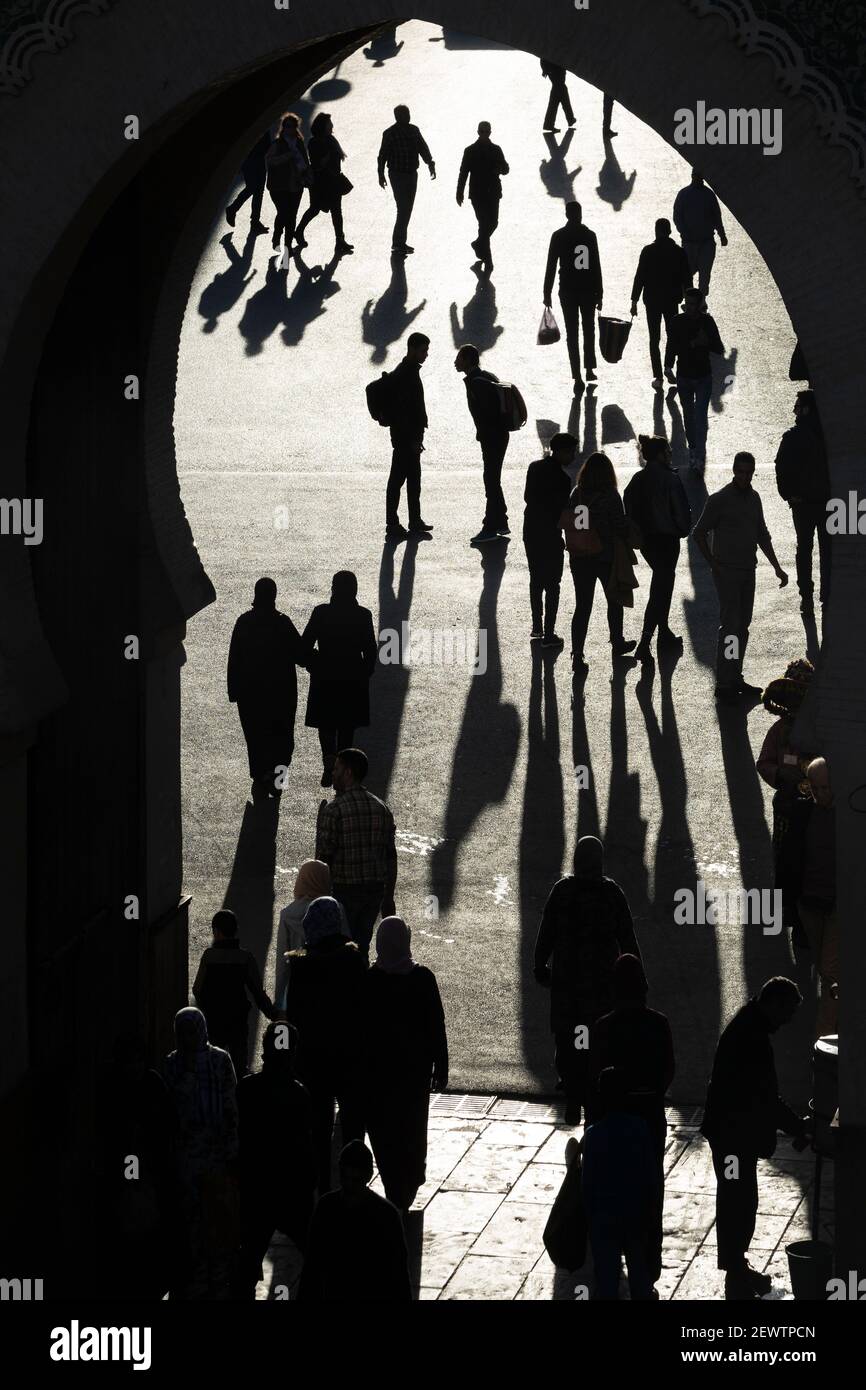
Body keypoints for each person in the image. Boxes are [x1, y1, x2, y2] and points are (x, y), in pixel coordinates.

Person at [701, 978, 810, 1300]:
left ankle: (736, 1265)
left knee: (738, 1200)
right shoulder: (752, 1037)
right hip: (732, 1138)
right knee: (738, 1201)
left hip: (730, 1133)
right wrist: (797, 1126)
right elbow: (765, 1097)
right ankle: (736, 1270)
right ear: (774, 1003)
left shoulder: (749, 1027)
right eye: (788, 1011)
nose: (789, 1019)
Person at [533, 835, 641, 1124]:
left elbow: (547, 932)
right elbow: (627, 938)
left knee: (568, 1042)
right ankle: (594, 1097)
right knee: (599, 1042)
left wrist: (539, 963)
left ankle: (572, 1093)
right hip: (602, 988)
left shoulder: (563, 891)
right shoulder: (612, 893)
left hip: (567, 984)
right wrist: (636, 976)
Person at [589, 955, 675, 1296]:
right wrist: (648, 1094)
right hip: (648, 1117)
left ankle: (609, 1278)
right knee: (648, 1199)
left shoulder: (603, 1027)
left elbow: (594, 1076)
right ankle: (646, 1274)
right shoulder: (658, 1024)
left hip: (609, 1119)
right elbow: (668, 1071)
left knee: (607, 1199)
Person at [363, 918, 448, 1210]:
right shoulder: (422, 978)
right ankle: (410, 1177)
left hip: (378, 1073)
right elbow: (437, 1024)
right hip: (414, 1071)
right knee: (412, 1126)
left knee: (383, 1127)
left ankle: (393, 1182)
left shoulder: (370, 981)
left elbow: (359, 1029)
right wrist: (442, 1065)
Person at [285, 898, 367, 1195]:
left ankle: (322, 1187)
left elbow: (293, 1016)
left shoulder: (301, 963)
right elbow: (363, 1009)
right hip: (349, 1057)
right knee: (353, 1125)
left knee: (318, 1128)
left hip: (313, 1061)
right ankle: (355, 1182)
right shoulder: (353, 960)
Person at [693, 452, 788, 704]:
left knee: (741, 626)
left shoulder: (754, 499)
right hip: (727, 572)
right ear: (734, 471)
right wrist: (713, 563)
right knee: (731, 626)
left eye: (749, 472)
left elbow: (762, 534)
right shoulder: (719, 500)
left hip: (748, 570)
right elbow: (699, 533)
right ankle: (725, 680)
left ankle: (734, 675)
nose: (745, 477)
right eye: (741, 472)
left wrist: (777, 567)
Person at [234, 1022, 315, 1297]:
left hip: (256, 1190)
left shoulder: (247, 1089)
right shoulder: (299, 1094)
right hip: (289, 1190)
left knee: (247, 1261)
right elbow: (306, 1150)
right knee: (314, 1255)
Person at [163, 1008, 239, 1300]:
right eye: (183, 1032)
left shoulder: (219, 1060)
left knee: (217, 1220)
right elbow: (170, 1111)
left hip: (215, 1154)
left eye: (192, 1031)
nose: (188, 1038)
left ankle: (218, 1280)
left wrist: (231, 1150)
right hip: (186, 1157)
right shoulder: (172, 1064)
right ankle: (198, 1279)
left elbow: (230, 1106)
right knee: (192, 1222)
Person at [96, 1035, 177, 1300]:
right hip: (129, 1168)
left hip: (147, 1168)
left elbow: (165, 1127)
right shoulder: (118, 1086)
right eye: (129, 1060)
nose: (133, 1066)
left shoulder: (151, 1084)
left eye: (137, 1060)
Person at [296, 1140, 412, 1301]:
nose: (349, 1185)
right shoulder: (385, 1213)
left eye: (355, 1180)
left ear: (368, 1176)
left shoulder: (328, 1206)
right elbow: (312, 1266)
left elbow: (398, 1275)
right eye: (346, 1178)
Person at [227, 577, 307, 802]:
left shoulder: (244, 622)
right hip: (281, 693)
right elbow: (301, 654)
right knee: (282, 735)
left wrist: (233, 690)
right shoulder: (282, 623)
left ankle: (261, 775)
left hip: (250, 693)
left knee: (255, 735)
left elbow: (235, 659)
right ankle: (277, 779)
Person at [582, 1067, 658, 1300]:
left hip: (605, 1216)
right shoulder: (640, 1129)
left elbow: (588, 1185)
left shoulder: (594, 1135)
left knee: (606, 1279)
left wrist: (589, 1218)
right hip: (635, 1212)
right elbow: (650, 1176)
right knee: (639, 1272)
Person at [755, 660, 815, 948]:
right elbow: (764, 762)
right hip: (787, 807)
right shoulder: (779, 731)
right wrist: (780, 775)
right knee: (785, 859)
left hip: (817, 807)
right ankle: (791, 914)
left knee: (812, 859)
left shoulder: (821, 732)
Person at [316, 748, 398, 955]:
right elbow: (390, 856)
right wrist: (389, 897)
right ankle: (360, 979)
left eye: (336, 769)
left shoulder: (334, 810)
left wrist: (318, 897)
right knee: (362, 945)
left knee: (339, 947)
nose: (332, 773)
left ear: (348, 773)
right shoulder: (381, 808)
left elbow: (324, 859)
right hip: (374, 890)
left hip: (345, 890)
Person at [302, 571, 378, 787]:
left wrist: (314, 664)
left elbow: (305, 646)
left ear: (333, 588)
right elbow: (370, 650)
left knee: (326, 726)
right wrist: (364, 672)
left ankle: (329, 762)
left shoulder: (321, 613)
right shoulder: (363, 615)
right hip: (352, 679)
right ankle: (342, 771)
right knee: (347, 729)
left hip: (325, 677)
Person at [779, 758, 838, 1036]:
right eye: (815, 788)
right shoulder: (803, 813)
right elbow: (788, 857)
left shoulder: (848, 816)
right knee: (823, 963)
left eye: (825, 788)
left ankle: (823, 1036)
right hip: (809, 903)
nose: (820, 794)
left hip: (838, 905)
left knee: (829, 972)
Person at [565, 451, 636, 671]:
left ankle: (577, 654)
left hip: (580, 558)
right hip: (605, 556)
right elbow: (619, 525)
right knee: (614, 599)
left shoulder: (577, 494)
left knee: (582, 606)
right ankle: (617, 641)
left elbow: (573, 523)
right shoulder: (610, 495)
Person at [623, 434, 692, 659]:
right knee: (662, 587)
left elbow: (628, 507)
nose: (671, 454)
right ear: (661, 455)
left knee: (662, 583)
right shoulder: (670, 479)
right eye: (669, 451)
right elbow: (681, 513)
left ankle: (663, 631)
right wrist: (683, 529)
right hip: (667, 539)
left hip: (647, 542)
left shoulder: (637, 479)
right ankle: (646, 640)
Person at [192, 909, 275, 1082]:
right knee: (239, 1068)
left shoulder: (209, 956)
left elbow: (197, 989)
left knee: (213, 1069)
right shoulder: (245, 957)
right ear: (235, 930)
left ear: (216, 931)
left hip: (214, 1021)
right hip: (238, 1021)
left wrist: (206, 1007)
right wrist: (275, 1015)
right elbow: (258, 993)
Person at [774, 390, 831, 617]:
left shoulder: (792, 437)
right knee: (828, 550)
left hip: (803, 504)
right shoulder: (830, 434)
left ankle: (806, 595)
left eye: (797, 406)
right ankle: (827, 593)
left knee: (804, 548)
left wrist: (789, 494)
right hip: (829, 503)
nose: (794, 410)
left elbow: (782, 468)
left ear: (806, 409)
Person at [543, 201, 603, 391]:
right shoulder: (589, 235)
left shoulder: (559, 236)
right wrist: (599, 292)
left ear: (567, 215)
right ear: (580, 214)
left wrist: (547, 292)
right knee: (589, 329)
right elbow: (595, 265)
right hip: (587, 290)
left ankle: (576, 375)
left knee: (572, 333)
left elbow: (551, 265)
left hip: (567, 290)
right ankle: (589, 368)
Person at [454, 343, 510, 544]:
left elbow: (488, 414)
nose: (455, 362)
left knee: (491, 480)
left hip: (492, 438)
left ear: (468, 360)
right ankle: (501, 520)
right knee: (493, 478)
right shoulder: (486, 376)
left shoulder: (477, 383)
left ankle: (490, 526)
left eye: (459, 358)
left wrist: (483, 433)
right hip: (497, 436)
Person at [523, 432, 574, 647]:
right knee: (553, 584)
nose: (573, 456)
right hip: (551, 535)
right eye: (571, 452)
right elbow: (563, 510)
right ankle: (549, 633)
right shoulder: (563, 479)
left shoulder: (534, 467)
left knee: (536, 579)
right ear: (562, 452)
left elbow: (527, 497)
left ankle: (537, 625)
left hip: (532, 530)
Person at [276, 859, 347, 1009]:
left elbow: (283, 960)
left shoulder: (287, 914)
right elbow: (347, 944)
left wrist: (279, 1002)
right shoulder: (336, 909)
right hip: (333, 982)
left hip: (300, 980)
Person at [668, 287, 725, 469]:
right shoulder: (678, 321)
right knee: (689, 416)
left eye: (694, 304)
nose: (690, 308)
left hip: (702, 376)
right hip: (684, 375)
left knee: (700, 416)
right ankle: (694, 448)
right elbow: (672, 345)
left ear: (700, 305)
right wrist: (668, 365)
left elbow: (719, 348)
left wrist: (706, 341)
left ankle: (698, 454)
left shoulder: (707, 322)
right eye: (688, 303)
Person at [629, 218, 691, 386]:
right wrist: (689, 300)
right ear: (670, 231)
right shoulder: (679, 252)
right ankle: (668, 366)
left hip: (652, 300)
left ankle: (658, 376)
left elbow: (639, 277)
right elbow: (687, 278)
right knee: (673, 335)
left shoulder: (648, 251)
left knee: (654, 338)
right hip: (671, 300)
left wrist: (634, 301)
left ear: (656, 231)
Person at [385, 331, 433, 540]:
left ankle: (415, 520)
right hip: (406, 439)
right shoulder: (406, 374)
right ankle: (393, 523)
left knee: (414, 481)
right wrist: (413, 440)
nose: (426, 354)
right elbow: (404, 412)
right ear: (412, 349)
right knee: (397, 481)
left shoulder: (409, 370)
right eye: (423, 350)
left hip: (411, 438)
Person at [377, 104, 436, 256]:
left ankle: (400, 242)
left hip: (411, 173)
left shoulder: (414, 130)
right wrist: (381, 173)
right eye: (405, 114)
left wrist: (430, 163)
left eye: (408, 113)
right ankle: (398, 243)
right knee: (403, 208)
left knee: (407, 209)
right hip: (397, 175)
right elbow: (382, 155)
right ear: (397, 117)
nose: (408, 116)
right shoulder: (390, 133)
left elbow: (423, 147)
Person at [294, 112, 353, 257]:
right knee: (315, 209)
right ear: (323, 126)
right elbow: (316, 164)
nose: (331, 125)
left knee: (336, 211)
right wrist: (325, 160)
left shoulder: (331, 139)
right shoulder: (314, 142)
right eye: (329, 123)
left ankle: (340, 241)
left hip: (333, 181)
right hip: (320, 182)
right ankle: (299, 231)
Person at [456, 121, 510, 275]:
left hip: (493, 192)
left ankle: (479, 244)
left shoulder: (496, 150)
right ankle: (488, 259)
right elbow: (463, 172)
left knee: (493, 223)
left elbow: (506, 168)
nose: (485, 134)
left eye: (487, 132)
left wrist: (499, 169)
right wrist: (459, 191)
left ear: (490, 132)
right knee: (484, 224)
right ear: (478, 132)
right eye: (482, 131)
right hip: (478, 194)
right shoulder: (470, 151)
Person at [672, 168, 727, 295]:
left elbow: (716, 217)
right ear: (693, 176)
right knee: (691, 274)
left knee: (703, 274)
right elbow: (677, 217)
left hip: (703, 241)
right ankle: (690, 300)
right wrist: (684, 232)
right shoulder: (701, 194)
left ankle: (700, 301)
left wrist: (722, 234)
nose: (699, 179)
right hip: (692, 242)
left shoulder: (689, 194)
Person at [265, 112, 310, 260]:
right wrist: (287, 156)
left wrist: (307, 176)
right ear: (283, 128)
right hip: (279, 186)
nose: (290, 129)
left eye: (293, 126)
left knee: (291, 216)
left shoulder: (299, 142)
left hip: (296, 185)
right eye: (287, 126)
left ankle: (288, 246)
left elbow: (306, 161)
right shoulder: (278, 144)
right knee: (284, 213)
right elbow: (269, 161)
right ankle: (277, 235)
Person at [225, 131, 270, 235]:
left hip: (260, 160)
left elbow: (267, 143)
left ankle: (255, 222)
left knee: (259, 191)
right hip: (248, 160)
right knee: (252, 187)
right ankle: (232, 209)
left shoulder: (263, 125)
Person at [540, 59, 575, 132]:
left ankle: (570, 119)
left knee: (559, 95)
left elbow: (543, 58)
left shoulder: (548, 50)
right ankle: (569, 119)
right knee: (558, 97)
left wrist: (545, 69)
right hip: (556, 70)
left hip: (553, 70)